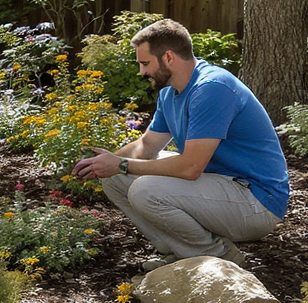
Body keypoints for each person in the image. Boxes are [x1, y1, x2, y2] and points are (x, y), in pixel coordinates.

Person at [71, 19, 288, 268]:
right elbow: (147, 146)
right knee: (115, 178)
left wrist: (120, 164)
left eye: (145, 63)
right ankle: (177, 252)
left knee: (145, 190)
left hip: (255, 201)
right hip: (220, 186)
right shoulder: (170, 92)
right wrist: (102, 164)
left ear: (169, 57)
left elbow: (190, 167)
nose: (142, 72)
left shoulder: (211, 88)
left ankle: (218, 259)